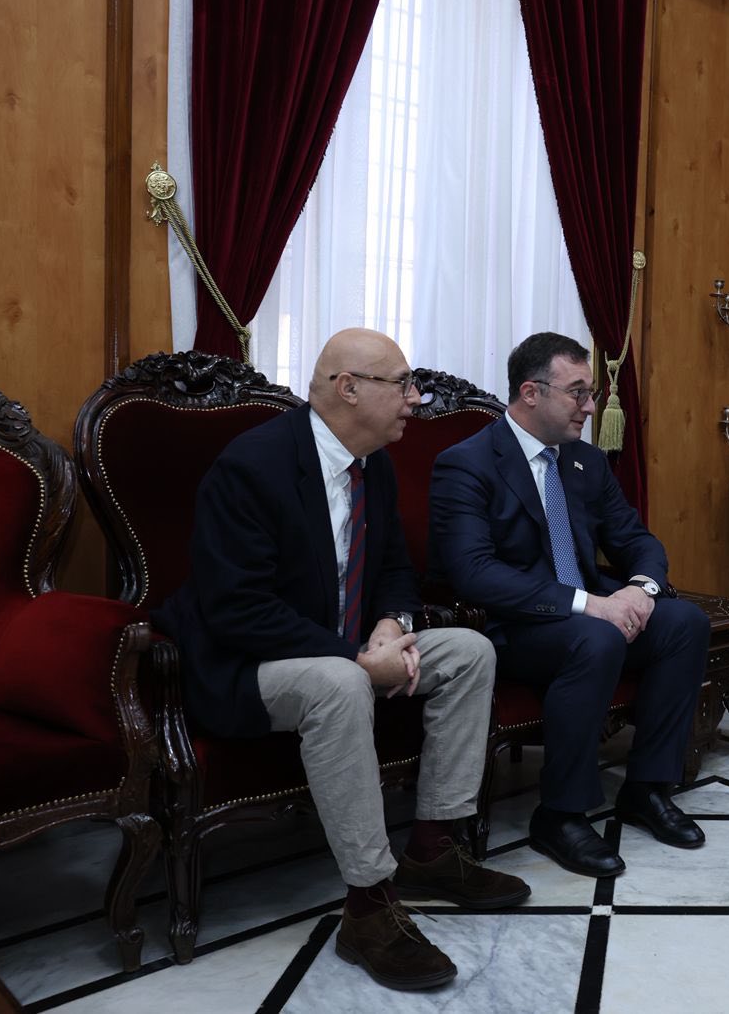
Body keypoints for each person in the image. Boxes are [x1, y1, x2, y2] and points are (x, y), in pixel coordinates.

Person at [156, 329, 529, 992]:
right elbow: (238, 610)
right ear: (348, 388)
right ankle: (368, 904)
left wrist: (391, 627)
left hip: (346, 645)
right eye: (403, 384)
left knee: (469, 651)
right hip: (246, 664)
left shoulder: (372, 463)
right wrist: (358, 658)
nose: (416, 398)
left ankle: (433, 847)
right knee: (338, 685)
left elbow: (394, 569)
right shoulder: (252, 466)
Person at [430, 331, 710, 878]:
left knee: (684, 622)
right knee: (597, 636)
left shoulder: (585, 462)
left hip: (584, 618)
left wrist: (640, 589)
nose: (590, 406)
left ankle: (648, 787)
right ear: (531, 393)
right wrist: (590, 604)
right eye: (577, 392)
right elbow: (474, 573)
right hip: (510, 627)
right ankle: (559, 814)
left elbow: (637, 540)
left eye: (590, 393)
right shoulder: (466, 464)